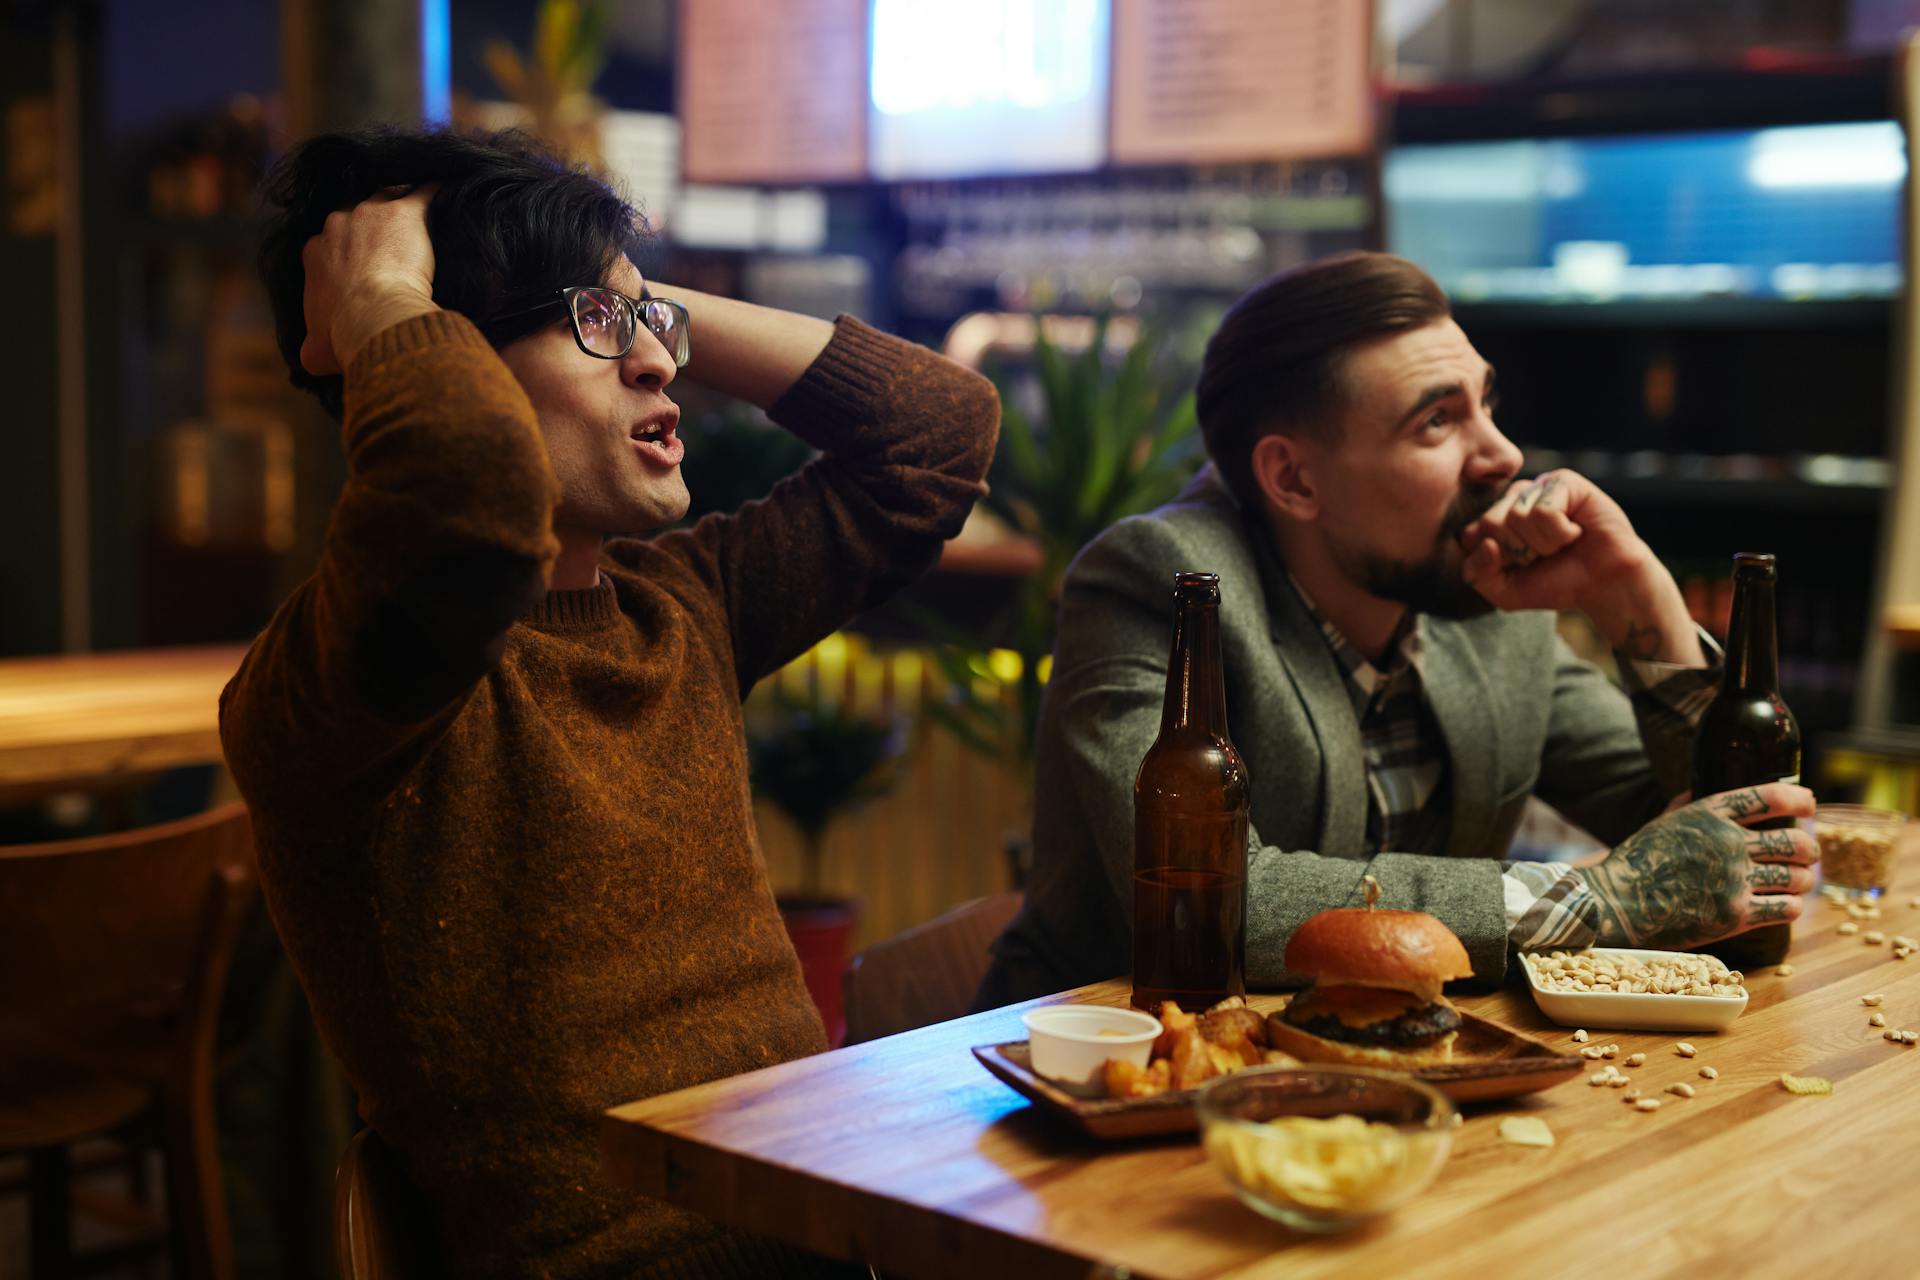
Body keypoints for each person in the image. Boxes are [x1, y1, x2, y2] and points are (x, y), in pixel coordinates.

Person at [220, 128, 998, 1278]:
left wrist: (623, 291)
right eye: (592, 327)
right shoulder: (342, 688)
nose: (658, 365)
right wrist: (385, 290)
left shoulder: (684, 604)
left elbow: (937, 431)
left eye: (654, 330)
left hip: (837, 1235)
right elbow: (468, 500)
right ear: (443, 361)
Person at [978, 250, 1816, 1007]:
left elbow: (1713, 849)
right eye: (1437, 423)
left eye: (1487, 406)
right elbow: (1220, 901)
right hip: (1109, 1081)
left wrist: (1637, 595)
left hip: (1399, 1073)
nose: (1504, 458)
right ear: (1294, 478)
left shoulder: (1476, 596)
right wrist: (1595, 899)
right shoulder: (1160, 587)